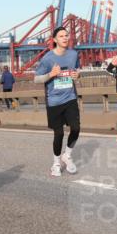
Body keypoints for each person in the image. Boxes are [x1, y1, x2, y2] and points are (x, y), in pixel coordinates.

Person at [34, 26, 81, 176]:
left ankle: (66, 155)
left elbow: (77, 69)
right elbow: (36, 79)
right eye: (61, 36)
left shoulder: (73, 54)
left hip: (70, 97)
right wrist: (51, 74)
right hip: (54, 101)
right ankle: (55, 163)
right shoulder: (48, 58)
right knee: (59, 133)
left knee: (76, 128)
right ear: (54, 40)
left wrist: (77, 75)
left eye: (66, 35)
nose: (65, 38)